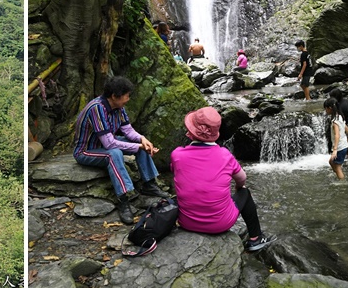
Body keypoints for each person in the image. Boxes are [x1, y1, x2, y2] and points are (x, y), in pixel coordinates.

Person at [172, 107, 274, 253]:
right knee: (244, 192)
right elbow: (242, 178)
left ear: (191, 132)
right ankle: (255, 238)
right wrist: (238, 187)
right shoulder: (224, 155)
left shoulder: (177, 155)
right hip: (220, 224)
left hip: (186, 223)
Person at [73, 76, 168, 224]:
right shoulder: (97, 108)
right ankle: (123, 199)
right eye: (127, 96)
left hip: (104, 145)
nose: (128, 99)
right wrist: (137, 146)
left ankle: (149, 184)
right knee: (114, 153)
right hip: (87, 151)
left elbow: (128, 131)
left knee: (140, 145)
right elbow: (110, 144)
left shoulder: (118, 108)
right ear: (114, 96)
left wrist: (142, 140)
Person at [324, 98, 348, 180]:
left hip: (340, 148)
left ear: (330, 108)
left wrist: (335, 150)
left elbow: (337, 135)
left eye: (326, 108)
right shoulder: (340, 116)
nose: (325, 111)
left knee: (337, 167)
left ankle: (342, 181)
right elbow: (346, 127)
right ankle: (338, 174)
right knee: (331, 162)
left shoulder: (335, 121)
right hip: (344, 145)